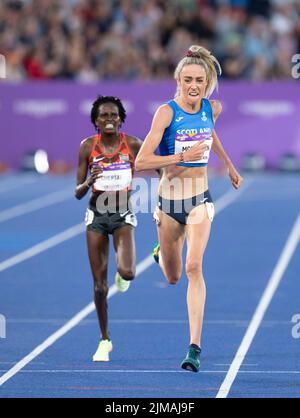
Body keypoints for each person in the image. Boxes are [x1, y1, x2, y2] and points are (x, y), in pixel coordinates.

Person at [135, 45, 243, 372]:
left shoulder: (213, 108)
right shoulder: (166, 113)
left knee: (194, 267)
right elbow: (141, 162)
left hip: (200, 199)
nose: (193, 85)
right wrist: (180, 157)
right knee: (173, 276)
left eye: (199, 79)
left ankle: (194, 347)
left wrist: (229, 164)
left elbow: (211, 135)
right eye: (187, 80)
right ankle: (161, 250)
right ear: (178, 81)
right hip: (168, 204)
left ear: (207, 81)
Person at [75, 95, 142, 362]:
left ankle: (122, 276)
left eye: (114, 115)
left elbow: (156, 169)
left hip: (123, 215)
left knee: (128, 272)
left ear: (121, 119)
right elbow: (77, 192)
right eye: (103, 115)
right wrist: (89, 181)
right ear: (95, 121)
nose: (109, 119)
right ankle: (105, 340)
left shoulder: (133, 145)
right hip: (96, 217)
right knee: (100, 286)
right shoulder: (87, 147)